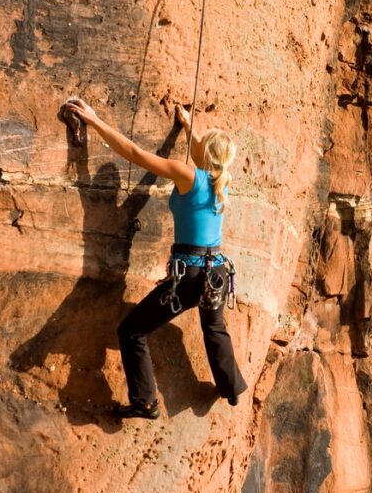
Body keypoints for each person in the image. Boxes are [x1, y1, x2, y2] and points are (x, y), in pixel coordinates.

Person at [63, 98, 248, 419]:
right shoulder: (222, 182)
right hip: (216, 272)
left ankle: (145, 402)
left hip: (188, 276)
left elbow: (136, 154)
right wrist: (188, 126)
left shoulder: (188, 174)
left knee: (131, 331)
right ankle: (231, 389)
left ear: (206, 153)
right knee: (215, 329)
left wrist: (93, 120)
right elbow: (205, 149)